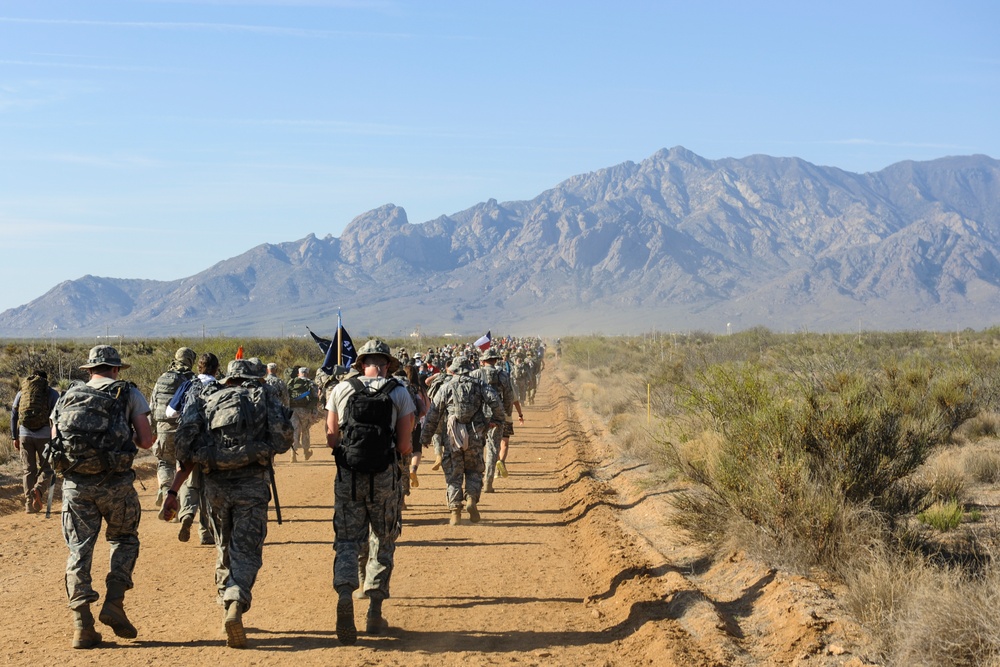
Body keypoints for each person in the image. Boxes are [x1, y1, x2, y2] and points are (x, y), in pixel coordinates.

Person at [162, 358, 293, 649]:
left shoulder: (206, 396)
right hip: (252, 484)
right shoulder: (263, 397)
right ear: (255, 378)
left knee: (223, 543)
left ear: (229, 377)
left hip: (215, 486)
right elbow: (284, 440)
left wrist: (174, 489)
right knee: (247, 549)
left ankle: (226, 602)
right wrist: (261, 449)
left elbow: (183, 445)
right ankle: (235, 600)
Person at [48, 345, 153, 649]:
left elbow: (57, 442)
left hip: (75, 486)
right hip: (116, 484)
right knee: (124, 539)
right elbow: (146, 440)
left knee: (79, 550)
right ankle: (114, 602)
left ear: (89, 370)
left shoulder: (68, 395)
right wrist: (124, 440)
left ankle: (82, 625)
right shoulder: (128, 393)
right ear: (116, 369)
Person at [326, 339, 414, 645]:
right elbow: (404, 445)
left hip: (348, 478)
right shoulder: (399, 393)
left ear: (361, 363)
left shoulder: (340, 390)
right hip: (385, 478)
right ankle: (375, 611)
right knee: (383, 538)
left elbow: (331, 438)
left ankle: (346, 592)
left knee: (348, 540)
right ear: (387, 364)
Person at [420, 355, 505, 526]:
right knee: (474, 469)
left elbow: (433, 413)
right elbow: (496, 402)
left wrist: (426, 436)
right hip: (475, 434)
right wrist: (496, 420)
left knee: (453, 473)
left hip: (452, 435)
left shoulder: (446, 387)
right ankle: (471, 498)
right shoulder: (480, 385)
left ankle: (455, 512)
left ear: (454, 370)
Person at [149, 347, 196, 511]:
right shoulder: (191, 378)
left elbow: (152, 404)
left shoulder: (162, 378)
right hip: (184, 428)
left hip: (163, 426)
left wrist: (153, 430)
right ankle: (177, 498)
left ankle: (163, 488)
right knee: (182, 463)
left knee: (164, 462)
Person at [471, 348, 523, 491]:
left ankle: (476, 482)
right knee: (493, 448)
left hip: (478, 416)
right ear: (495, 360)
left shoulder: (475, 374)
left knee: (477, 448)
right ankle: (488, 482)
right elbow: (509, 397)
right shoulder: (503, 375)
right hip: (496, 415)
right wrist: (505, 413)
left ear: (483, 361)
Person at [10, 369, 59, 513]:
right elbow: (58, 416)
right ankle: (38, 489)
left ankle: (28, 504)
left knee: (28, 470)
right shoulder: (52, 393)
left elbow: (13, 415)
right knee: (48, 469)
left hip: (24, 435)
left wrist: (14, 436)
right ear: (46, 380)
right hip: (44, 435)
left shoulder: (22, 392)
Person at [288, 367, 319, 462]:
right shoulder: (311, 384)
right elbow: (315, 399)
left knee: (295, 430)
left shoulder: (292, 382)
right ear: (307, 374)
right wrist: (314, 412)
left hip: (292, 409)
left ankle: (293, 454)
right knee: (305, 430)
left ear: (298, 374)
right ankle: (306, 452)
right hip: (305, 410)